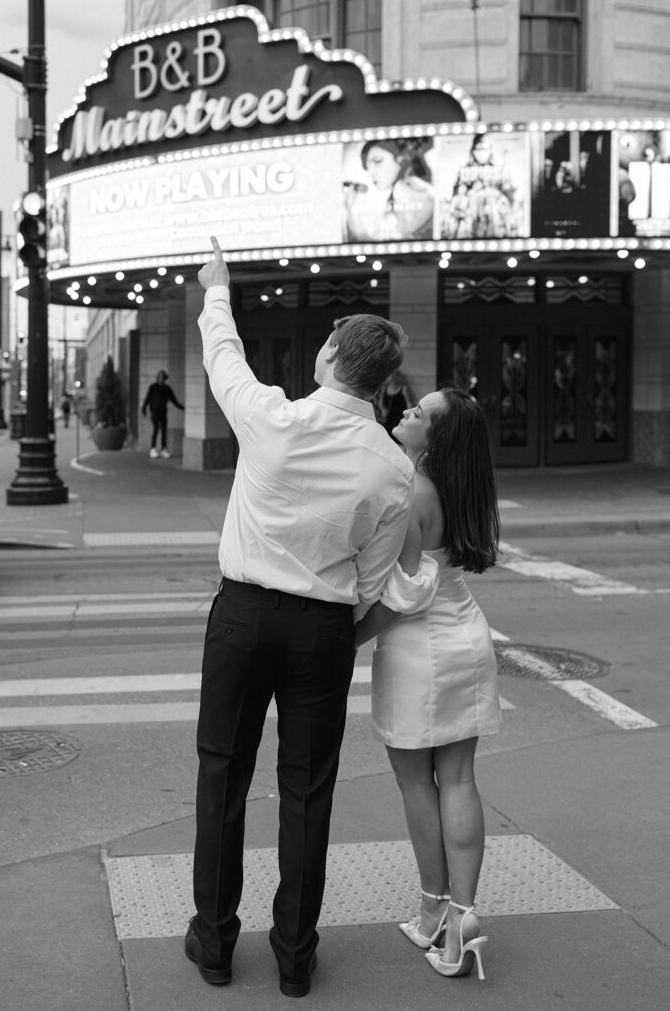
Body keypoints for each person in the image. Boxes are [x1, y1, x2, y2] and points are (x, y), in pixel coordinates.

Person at [186, 237, 437, 998]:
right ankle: (295, 957)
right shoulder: (393, 467)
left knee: (221, 776)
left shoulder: (271, 416)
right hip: (321, 631)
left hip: (241, 616)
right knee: (306, 791)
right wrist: (334, 629)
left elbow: (221, 353)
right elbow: (374, 579)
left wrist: (219, 285)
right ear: (383, 381)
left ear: (329, 354)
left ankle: (217, 943)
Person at [355, 386, 501, 982]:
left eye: (420, 412)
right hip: (467, 634)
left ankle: (434, 906)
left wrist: (348, 639)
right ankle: (457, 918)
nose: (407, 411)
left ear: (434, 439)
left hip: (419, 648)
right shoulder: (464, 488)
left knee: (418, 783)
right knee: (460, 777)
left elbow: (406, 593)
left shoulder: (412, 490)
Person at [345, 138, 435, 242]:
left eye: (378, 161)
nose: (371, 173)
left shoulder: (411, 190)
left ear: (401, 158)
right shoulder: (399, 194)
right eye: (368, 168)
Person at [141, 369, 184, 458]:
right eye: (159, 377)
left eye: (163, 377)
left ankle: (163, 449)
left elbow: (174, 400)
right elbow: (148, 399)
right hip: (154, 412)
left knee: (164, 430)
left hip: (163, 412)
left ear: (165, 379)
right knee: (156, 429)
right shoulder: (153, 387)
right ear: (157, 378)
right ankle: (153, 448)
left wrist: (183, 408)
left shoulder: (167, 389)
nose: (161, 379)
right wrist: (144, 408)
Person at [376, 370, 415, 438]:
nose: (386, 378)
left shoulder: (403, 389)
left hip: (400, 420)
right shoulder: (385, 389)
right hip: (389, 421)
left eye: (388, 376)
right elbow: (382, 407)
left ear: (394, 377)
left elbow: (409, 405)